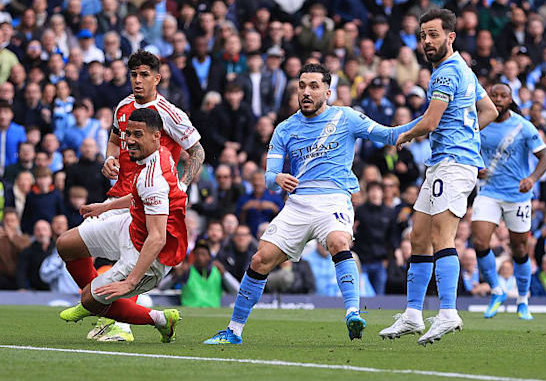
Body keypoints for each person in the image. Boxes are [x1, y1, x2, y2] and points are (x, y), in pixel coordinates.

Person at [203, 62, 422, 345]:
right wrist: (278, 178)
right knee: (260, 260)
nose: (306, 92)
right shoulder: (285, 128)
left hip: (333, 198)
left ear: (328, 92)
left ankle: (353, 313)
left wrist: (427, 120)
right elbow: (269, 176)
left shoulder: (347, 118)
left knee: (339, 242)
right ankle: (233, 331)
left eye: (314, 86)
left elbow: (389, 134)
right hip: (298, 204)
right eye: (302, 86)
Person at [56, 49, 203, 343]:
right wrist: (109, 159)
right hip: (122, 195)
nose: (138, 80)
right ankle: (104, 307)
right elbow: (114, 139)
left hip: (151, 203)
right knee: (69, 245)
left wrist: (183, 186)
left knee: (122, 267)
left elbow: (197, 152)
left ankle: (116, 319)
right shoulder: (123, 107)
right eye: (134, 74)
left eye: (144, 75)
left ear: (157, 78)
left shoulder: (171, 114)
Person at [379, 9, 497, 345]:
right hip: (443, 163)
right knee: (419, 237)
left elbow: (430, 122)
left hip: (453, 164)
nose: (427, 41)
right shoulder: (462, 69)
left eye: (433, 34)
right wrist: (468, 130)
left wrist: (400, 135)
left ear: (450, 36)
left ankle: (448, 313)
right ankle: (414, 315)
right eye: (423, 35)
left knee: (443, 236)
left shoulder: (445, 73)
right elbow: (488, 110)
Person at [57, 108, 184, 344]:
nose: (130, 141)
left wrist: (131, 281)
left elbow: (157, 238)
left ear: (156, 136)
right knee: (66, 244)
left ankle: (159, 320)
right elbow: (139, 196)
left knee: (90, 299)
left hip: (147, 253)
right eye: (128, 134)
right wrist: (104, 207)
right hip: (132, 225)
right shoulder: (161, 153)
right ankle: (98, 300)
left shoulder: (153, 179)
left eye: (138, 135)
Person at [472, 83, 546, 320]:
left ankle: (523, 300)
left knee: (519, 248)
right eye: (493, 95)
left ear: (511, 99)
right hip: (488, 192)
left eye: (502, 95)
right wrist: (475, 167)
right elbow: (465, 149)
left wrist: (532, 178)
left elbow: (545, 157)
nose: (497, 99)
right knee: (479, 242)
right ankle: (497, 291)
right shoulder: (478, 123)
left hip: (517, 196)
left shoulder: (522, 126)